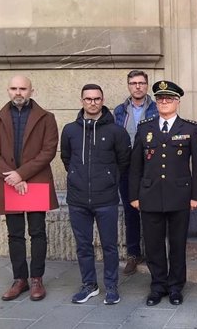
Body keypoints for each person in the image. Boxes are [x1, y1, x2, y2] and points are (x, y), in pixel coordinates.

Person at [128, 80, 197, 306]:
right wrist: (134, 195)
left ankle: (175, 287)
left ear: (177, 102)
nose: (164, 102)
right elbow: (136, 166)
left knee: (177, 244)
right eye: (160, 98)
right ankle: (158, 285)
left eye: (169, 99)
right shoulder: (145, 128)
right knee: (153, 245)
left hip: (179, 196)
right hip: (150, 195)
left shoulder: (191, 129)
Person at [0, 75, 59, 302]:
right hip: (8, 182)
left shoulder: (46, 118)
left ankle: (37, 278)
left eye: (23, 88)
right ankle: (20, 279)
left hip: (35, 181)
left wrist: (21, 174)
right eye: (14, 88)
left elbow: (48, 151)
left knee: (37, 232)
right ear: (8, 91)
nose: (18, 92)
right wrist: (12, 177)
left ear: (31, 91)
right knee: (14, 234)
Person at [61, 84, 131, 305]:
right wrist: (76, 176)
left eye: (97, 99)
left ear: (102, 100)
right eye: (88, 99)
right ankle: (89, 285)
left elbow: (124, 162)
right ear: (82, 101)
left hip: (106, 198)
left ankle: (111, 287)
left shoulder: (116, 131)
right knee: (83, 245)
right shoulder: (70, 130)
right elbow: (66, 158)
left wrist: (109, 179)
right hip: (78, 199)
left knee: (110, 245)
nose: (93, 102)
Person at [113, 70, 158, 275]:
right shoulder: (120, 110)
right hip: (127, 167)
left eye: (141, 83)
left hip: (151, 167)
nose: (137, 86)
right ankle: (133, 253)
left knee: (151, 211)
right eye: (133, 83)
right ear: (128, 86)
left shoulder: (156, 108)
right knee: (131, 212)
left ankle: (153, 253)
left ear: (147, 85)